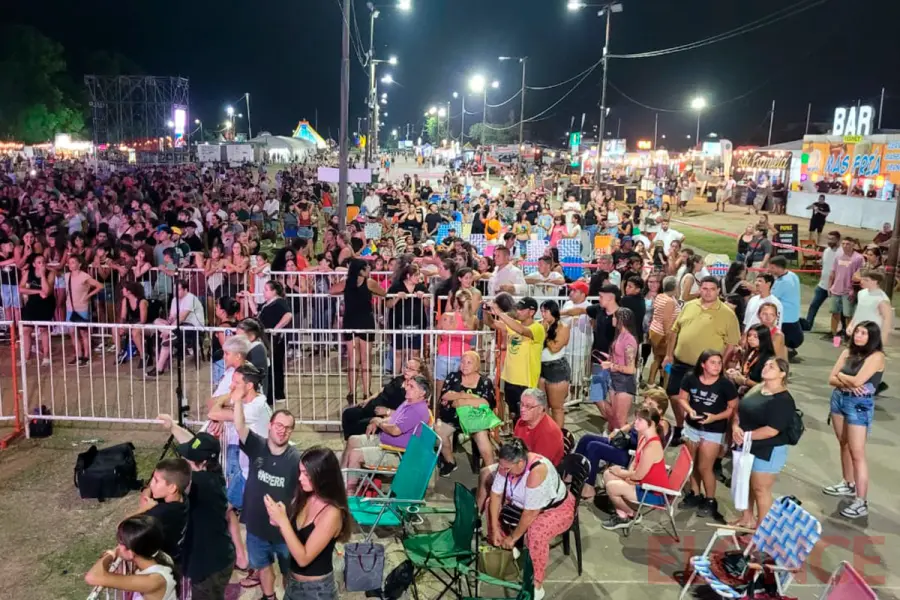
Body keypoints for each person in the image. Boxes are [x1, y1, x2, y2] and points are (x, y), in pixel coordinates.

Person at [155, 420, 236, 599]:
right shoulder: (210, 473)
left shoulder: (199, 483)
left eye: (188, 459)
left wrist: (154, 489)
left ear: (203, 462)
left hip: (209, 569)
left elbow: (174, 483)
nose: (184, 460)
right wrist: (173, 427)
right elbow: (193, 444)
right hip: (218, 559)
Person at [234, 388, 301, 600]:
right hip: (256, 526)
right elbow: (240, 426)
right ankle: (269, 597)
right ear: (270, 426)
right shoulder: (257, 446)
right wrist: (237, 401)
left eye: (288, 428)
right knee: (263, 567)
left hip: (284, 531)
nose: (282, 431)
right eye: (279, 425)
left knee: (289, 572)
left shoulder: (296, 460)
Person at [487, 438, 575, 600]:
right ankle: (506, 545)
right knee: (490, 504)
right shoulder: (506, 466)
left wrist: (513, 538)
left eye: (506, 468)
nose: (502, 471)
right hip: (522, 503)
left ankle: (536, 585)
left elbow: (530, 513)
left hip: (555, 509)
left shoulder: (536, 471)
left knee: (536, 533)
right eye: (501, 466)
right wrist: (493, 528)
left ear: (520, 463)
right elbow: (496, 494)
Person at [264, 447, 353, 600]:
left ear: (322, 476)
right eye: (300, 472)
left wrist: (283, 522)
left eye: (306, 474)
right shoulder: (305, 497)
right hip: (293, 583)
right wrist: (279, 524)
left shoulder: (332, 513)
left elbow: (303, 558)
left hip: (317, 591)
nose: (300, 478)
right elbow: (295, 540)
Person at [664, 277, 741, 446]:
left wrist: (719, 364)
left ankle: (701, 433)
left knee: (702, 401)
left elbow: (731, 343)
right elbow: (674, 331)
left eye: (711, 289)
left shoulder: (727, 314)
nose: (707, 292)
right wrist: (668, 355)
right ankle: (681, 426)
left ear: (718, 291)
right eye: (704, 288)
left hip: (707, 369)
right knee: (674, 395)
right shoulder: (689, 306)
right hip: (680, 362)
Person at [824, 321, 885, 519]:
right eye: (857, 332)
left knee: (857, 452)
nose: (858, 336)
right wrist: (844, 379)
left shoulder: (876, 356)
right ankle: (847, 483)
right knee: (843, 444)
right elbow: (831, 378)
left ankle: (861, 501)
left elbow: (858, 381)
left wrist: (842, 376)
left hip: (859, 405)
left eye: (863, 333)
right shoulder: (847, 352)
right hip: (839, 399)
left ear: (872, 337)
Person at [732, 358, 796, 528]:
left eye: (771, 366)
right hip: (748, 444)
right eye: (766, 364)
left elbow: (772, 430)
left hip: (768, 450)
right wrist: (735, 426)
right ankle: (747, 519)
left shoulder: (783, 400)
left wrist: (746, 435)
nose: (766, 368)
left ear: (782, 374)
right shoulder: (758, 388)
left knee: (760, 490)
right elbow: (740, 409)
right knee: (746, 483)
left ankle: (761, 531)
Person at [341, 374, 432, 493]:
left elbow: (395, 430)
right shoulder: (408, 402)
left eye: (411, 386)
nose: (406, 387)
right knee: (352, 440)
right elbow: (394, 418)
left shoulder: (416, 410)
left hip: (397, 453)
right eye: (408, 385)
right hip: (386, 443)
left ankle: (349, 494)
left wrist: (379, 422)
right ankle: (341, 480)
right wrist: (377, 421)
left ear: (422, 393)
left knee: (355, 454)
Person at [675, 350, 738, 519]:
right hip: (692, 427)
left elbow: (732, 408)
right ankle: (695, 494)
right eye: (713, 362)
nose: (717, 366)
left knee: (705, 467)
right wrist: (690, 411)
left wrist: (714, 418)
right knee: (693, 463)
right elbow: (682, 398)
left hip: (713, 430)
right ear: (703, 364)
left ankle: (710, 500)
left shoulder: (726, 384)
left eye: (719, 362)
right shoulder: (690, 378)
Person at [576, 388, 670, 500]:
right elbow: (630, 425)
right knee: (586, 439)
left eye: (650, 403)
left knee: (594, 447)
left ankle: (589, 488)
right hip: (624, 444)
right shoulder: (646, 416)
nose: (645, 405)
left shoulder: (659, 424)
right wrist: (618, 432)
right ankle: (573, 474)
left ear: (660, 410)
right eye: (645, 401)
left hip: (631, 454)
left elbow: (644, 447)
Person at [599, 407, 668, 531]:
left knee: (611, 486)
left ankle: (632, 514)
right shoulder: (644, 438)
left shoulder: (652, 446)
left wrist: (622, 473)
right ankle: (622, 514)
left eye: (639, 420)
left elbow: (638, 476)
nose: (635, 422)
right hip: (642, 483)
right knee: (608, 474)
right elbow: (635, 463)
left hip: (652, 491)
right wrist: (627, 475)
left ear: (651, 424)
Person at [330, 259, 387, 404]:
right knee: (365, 358)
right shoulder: (369, 283)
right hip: (365, 321)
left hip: (350, 320)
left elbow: (331, 290)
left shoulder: (346, 283)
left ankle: (351, 392)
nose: (369, 270)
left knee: (352, 358)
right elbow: (383, 293)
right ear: (361, 270)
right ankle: (366, 391)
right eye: (367, 267)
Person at [84, 515, 178, 600]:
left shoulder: (152, 581)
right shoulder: (161, 558)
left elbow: (92, 577)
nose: (117, 547)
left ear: (130, 553)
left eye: (120, 544)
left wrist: (111, 554)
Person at [437, 351, 498, 474]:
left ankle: (491, 471)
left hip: (475, 418)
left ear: (477, 366)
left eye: (469, 362)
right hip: (453, 417)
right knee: (438, 431)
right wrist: (468, 396)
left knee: (482, 437)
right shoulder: (453, 377)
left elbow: (486, 403)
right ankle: (450, 462)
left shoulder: (485, 382)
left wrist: (460, 400)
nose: (464, 365)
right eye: (463, 362)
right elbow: (445, 396)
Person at [486, 296, 545, 422]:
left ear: (532, 312)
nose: (518, 311)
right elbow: (491, 323)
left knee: (525, 416)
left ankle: (527, 440)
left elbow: (522, 331)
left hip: (526, 381)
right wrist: (486, 310)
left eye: (522, 309)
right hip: (509, 378)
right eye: (517, 308)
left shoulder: (538, 327)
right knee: (514, 415)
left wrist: (500, 313)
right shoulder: (514, 324)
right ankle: (517, 439)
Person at [133, 458, 190, 568]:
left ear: (172, 488)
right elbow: (146, 493)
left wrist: (144, 508)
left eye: (156, 481)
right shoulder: (183, 499)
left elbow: (122, 526)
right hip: (179, 556)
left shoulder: (158, 513)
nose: (152, 484)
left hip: (163, 565)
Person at [243, 280, 293, 404]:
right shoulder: (268, 303)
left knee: (274, 366)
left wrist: (276, 329)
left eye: (266, 290)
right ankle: (273, 393)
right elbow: (256, 312)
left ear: (274, 291)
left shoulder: (280, 302)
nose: (263, 292)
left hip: (275, 340)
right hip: (268, 338)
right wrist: (249, 297)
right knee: (272, 365)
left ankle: (276, 393)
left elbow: (288, 315)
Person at [600, 307, 639, 432]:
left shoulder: (629, 340)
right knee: (613, 417)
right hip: (615, 379)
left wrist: (611, 366)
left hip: (624, 382)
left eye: (615, 317)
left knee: (620, 420)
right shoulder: (620, 336)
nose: (613, 319)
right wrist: (609, 359)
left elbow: (631, 369)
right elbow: (619, 357)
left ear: (622, 319)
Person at [64, 254, 104, 366]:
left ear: (79, 264)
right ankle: (78, 355)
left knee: (83, 333)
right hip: (70, 308)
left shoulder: (84, 276)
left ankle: (86, 356)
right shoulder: (67, 276)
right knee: (72, 332)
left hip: (81, 308)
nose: (70, 264)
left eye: (73, 262)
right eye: (69, 262)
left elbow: (100, 286)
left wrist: (87, 296)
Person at [538, 300, 570, 428]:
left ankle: (558, 437)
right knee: (542, 405)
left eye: (545, 311)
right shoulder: (541, 325)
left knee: (556, 407)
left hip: (556, 368)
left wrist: (545, 332)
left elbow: (554, 348)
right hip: (541, 367)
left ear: (553, 311)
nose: (543, 314)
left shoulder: (563, 327)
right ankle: (546, 433)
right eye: (541, 311)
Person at [19, 253, 55, 364]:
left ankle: (46, 357)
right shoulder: (28, 273)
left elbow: (47, 291)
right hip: (32, 303)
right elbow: (21, 289)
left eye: (43, 262)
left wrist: (43, 275)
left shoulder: (51, 273)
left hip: (46, 304)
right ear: (34, 264)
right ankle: (27, 357)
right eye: (39, 262)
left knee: (44, 330)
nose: (42, 264)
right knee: (26, 330)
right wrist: (37, 291)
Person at [802, 231, 840, 332]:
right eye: (828, 239)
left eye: (832, 239)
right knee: (814, 305)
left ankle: (840, 331)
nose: (829, 241)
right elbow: (825, 266)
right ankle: (808, 324)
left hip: (836, 286)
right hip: (822, 285)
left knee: (836, 311)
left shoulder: (841, 253)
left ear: (837, 240)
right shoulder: (826, 251)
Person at [828, 237, 864, 339]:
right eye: (843, 243)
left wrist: (854, 290)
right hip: (836, 289)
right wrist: (830, 286)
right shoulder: (838, 256)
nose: (845, 246)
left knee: (848, 314)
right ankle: (833, 333)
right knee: (834, 312)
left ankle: (849, 335)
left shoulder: (858, 258)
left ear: (853, 245)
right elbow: (833, 272)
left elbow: (860, 275)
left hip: (848, 291)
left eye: (847, 244)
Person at [726, 324, 777, 396]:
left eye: (755, 336)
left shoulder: (770, 359)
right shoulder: (750, 352)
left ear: (764, 338)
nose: (750, 338)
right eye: (749, 335)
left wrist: (745, 381)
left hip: (758, 397)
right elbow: (746, 371)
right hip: (743, 392)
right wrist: (736, 373)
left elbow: (767, 387)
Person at [769, 256, 804, 356]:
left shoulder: (783, 282)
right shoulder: (792, 275)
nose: (769, 270)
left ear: (778, 268)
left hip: (785, 316)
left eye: (772, 268)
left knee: (781, 337)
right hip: (793, 314)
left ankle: (785, 350)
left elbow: (771, 296)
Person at [848, 270, 892, 346]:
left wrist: (882, 339)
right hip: (857, 331)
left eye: (866, 280)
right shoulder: (861, 293)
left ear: (875, 281)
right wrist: (851, 325)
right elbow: (858, 311)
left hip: (871, 334)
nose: (862, 281)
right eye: (862, 279)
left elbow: (887, 320)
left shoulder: (882, 298)